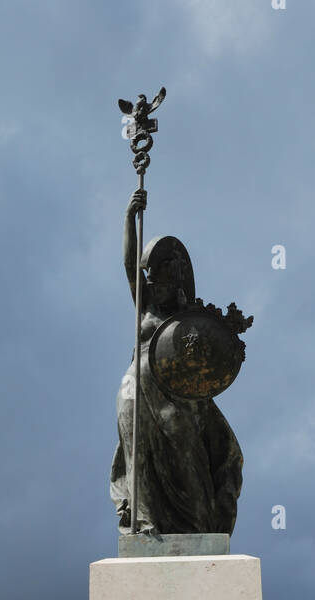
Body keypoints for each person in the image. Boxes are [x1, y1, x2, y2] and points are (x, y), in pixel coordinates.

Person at [109, 189, 244, 535]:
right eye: (151, 274)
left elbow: (207, 355)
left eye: (162, 274)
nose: (153, 280)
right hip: (136, 389)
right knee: (140, 460)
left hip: (178, 397)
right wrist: (129, 218)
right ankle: (145, 522)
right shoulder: (146, 305)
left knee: (195, 464)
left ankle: (200, 531)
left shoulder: (188, 318)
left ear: (179, 278)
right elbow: (129, 264)